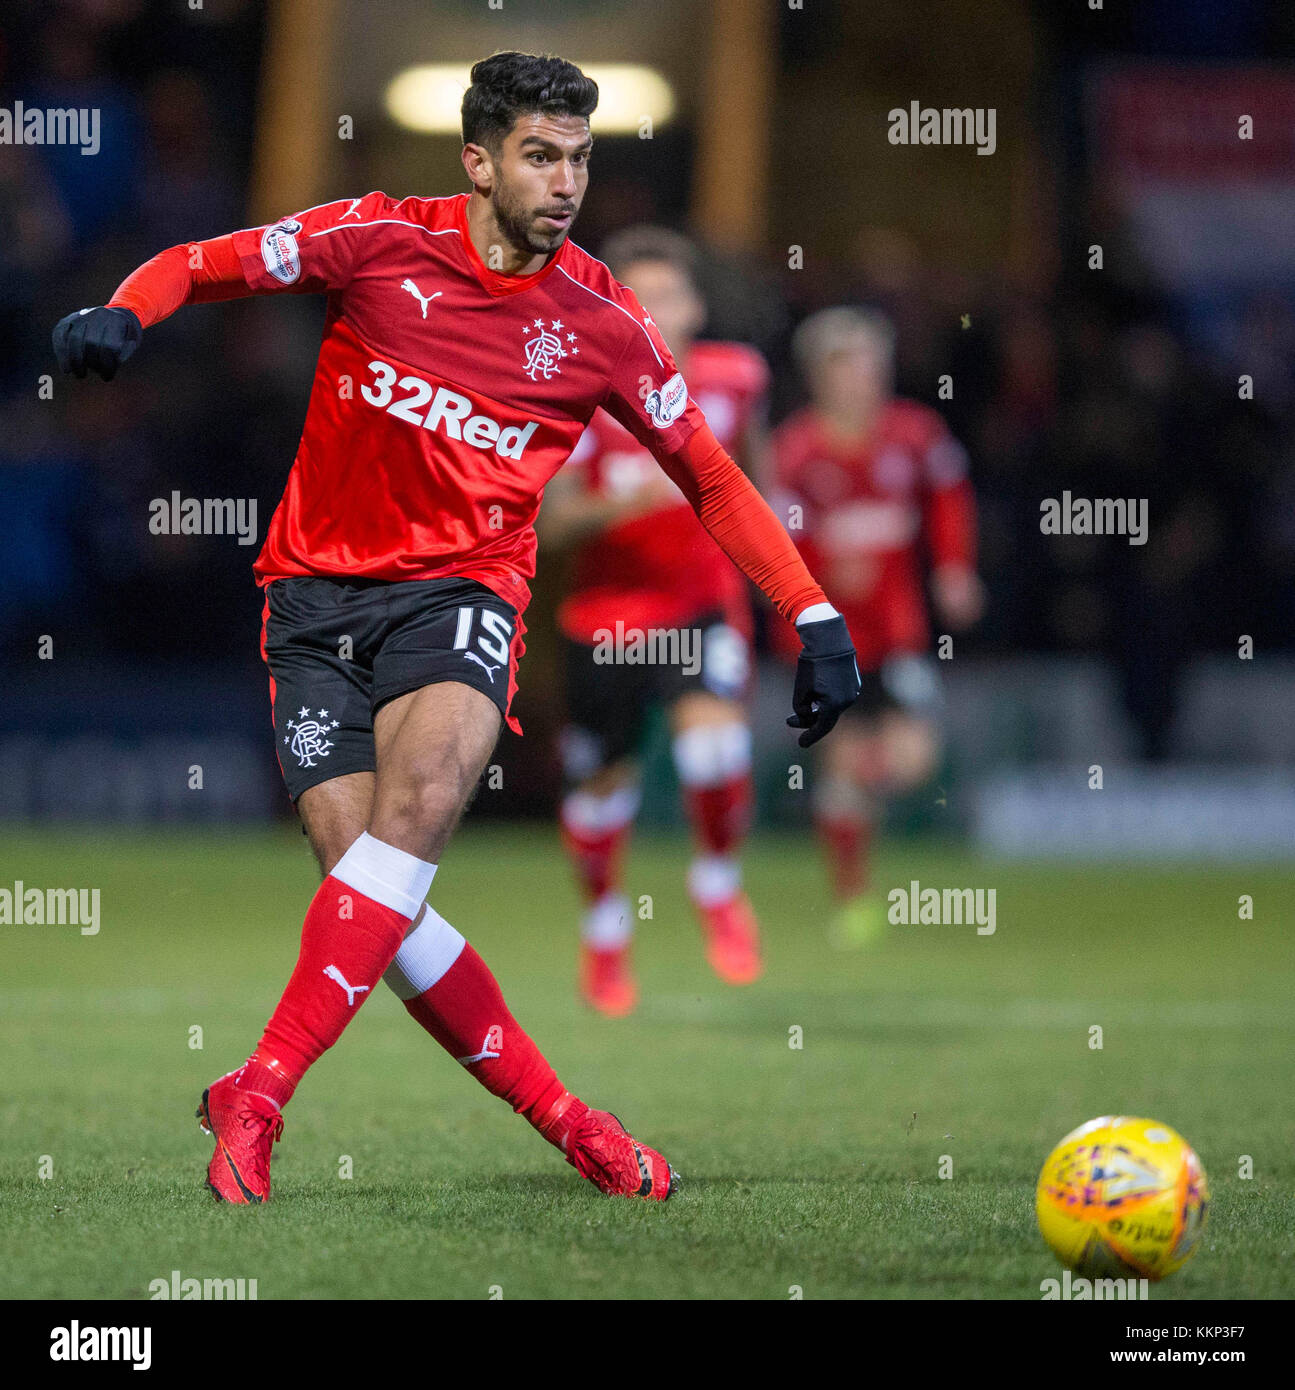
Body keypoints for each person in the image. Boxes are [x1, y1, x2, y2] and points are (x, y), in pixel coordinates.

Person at [52, 52, 861, 1205]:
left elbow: (714, 479)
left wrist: (812, 612)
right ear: (477, 163)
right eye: (541, 155)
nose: (566, 180)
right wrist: (124, 313)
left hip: (464, 595)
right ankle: (571, 1119)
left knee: (419, 806)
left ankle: (261, 1090)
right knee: (375, 891)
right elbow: (199, 263)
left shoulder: (601, 320)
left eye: (580, 157)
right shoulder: (377, 238)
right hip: (313, 600)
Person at [540, 226, 770, 1015]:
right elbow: (549, 527)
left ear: (697, 304)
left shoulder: (736, 380)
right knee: (602, 792)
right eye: (635, 295)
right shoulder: (577, 392)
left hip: (701, 607)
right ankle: (604, 930)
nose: (653, 310)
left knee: (715, 744)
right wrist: (624, 501)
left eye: (667, 293)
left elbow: (758, 483)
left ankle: (716, 885)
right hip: (603, 623)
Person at [771, 307, 982, 945]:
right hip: (829, 642)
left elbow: (950, 502)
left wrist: (954, 570)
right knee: (841, 769)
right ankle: (854, 900)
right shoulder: (796, 451)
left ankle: (861, 788)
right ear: (819, 377)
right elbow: (777, 547)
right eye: (847, 368)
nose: (863, 379)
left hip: (899, 635)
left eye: (871, 366)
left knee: (914, 758)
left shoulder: (916, 435)